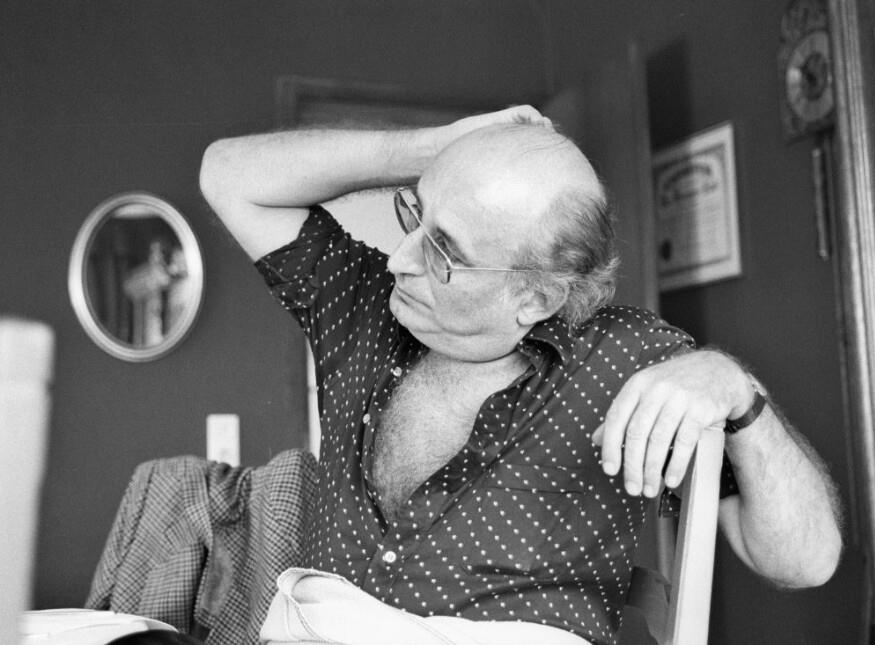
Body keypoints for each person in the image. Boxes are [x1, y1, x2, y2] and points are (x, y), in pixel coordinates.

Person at [199, 106, 842, 645]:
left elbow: (805, 562)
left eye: (443, 251)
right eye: (414, 214)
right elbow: (227, 175)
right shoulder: (363, 305)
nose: (400, 259)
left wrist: (737, 393)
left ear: (534, 297)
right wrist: (437, 148)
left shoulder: (629, 361)